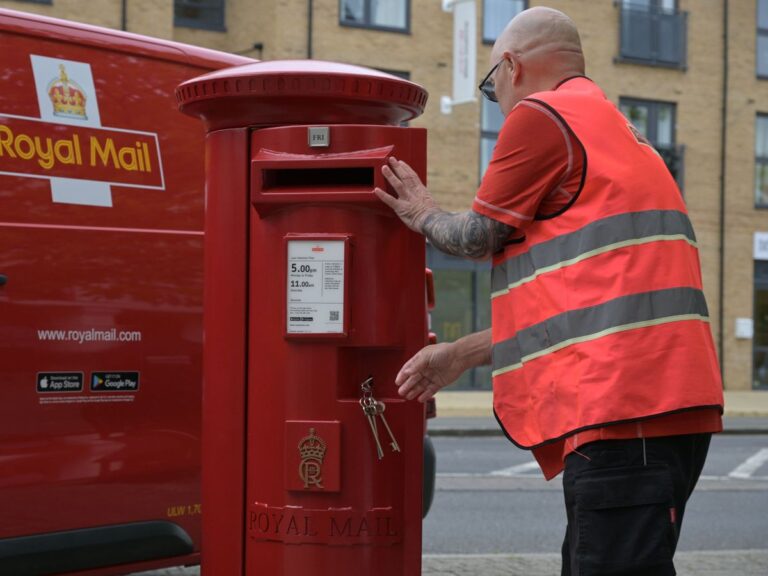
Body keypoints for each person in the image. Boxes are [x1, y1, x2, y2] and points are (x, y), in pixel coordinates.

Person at [373, 6, 725, 576]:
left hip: (622, 410)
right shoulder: (619, 132)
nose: (500, 105)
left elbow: (477, 236)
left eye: (491, 90)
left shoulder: (542, 115)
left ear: (511, 67)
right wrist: (460, 354)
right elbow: (578, 312)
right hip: (664, 409)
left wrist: (420, 211)